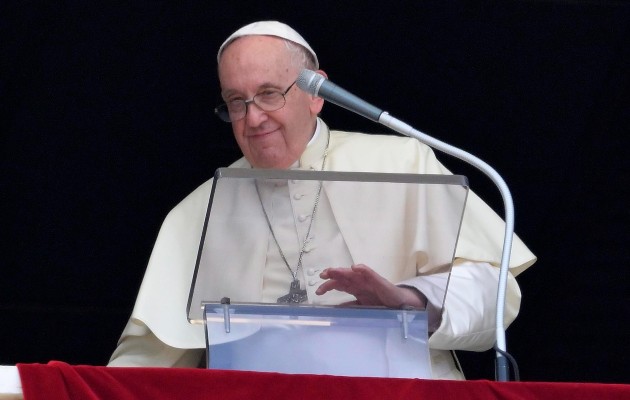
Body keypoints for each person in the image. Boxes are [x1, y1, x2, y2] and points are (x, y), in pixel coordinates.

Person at [108, 21, 536, 380]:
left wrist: (410, 301)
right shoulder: (199, 210)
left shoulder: (402, 162)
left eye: (270, 93)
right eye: (236, 102)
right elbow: (146, 363)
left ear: (316, 93)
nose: (253, 118)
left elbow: (496, 291)